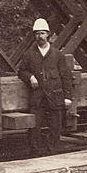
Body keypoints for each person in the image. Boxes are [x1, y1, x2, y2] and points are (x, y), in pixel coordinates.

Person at [17, 17, 73, 155]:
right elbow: (21, 71)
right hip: (38, 96)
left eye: (42, 33)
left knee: (55, 125)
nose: (39, 36)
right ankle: (35, 151)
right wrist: (30, 77)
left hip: (55, 95)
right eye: (37, 33)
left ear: (48, 34)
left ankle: (51, 150)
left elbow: (66, 76)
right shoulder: (29, 55)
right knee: (35, 125)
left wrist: (68, 97)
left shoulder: (58, 55)